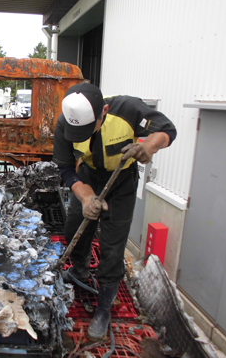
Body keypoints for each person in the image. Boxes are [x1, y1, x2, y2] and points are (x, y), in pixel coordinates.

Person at [53, 83, 176, 341]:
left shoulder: (128, 109)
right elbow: (65, 166)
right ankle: (80, 270)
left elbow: (167, 130)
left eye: (88, 128)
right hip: (88, 176)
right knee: (75, 226)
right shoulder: (66, 123)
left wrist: (149, 145)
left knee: (112, 245)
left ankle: (103, 309)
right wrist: (85, 196)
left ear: (104, 111)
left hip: (121, 181)